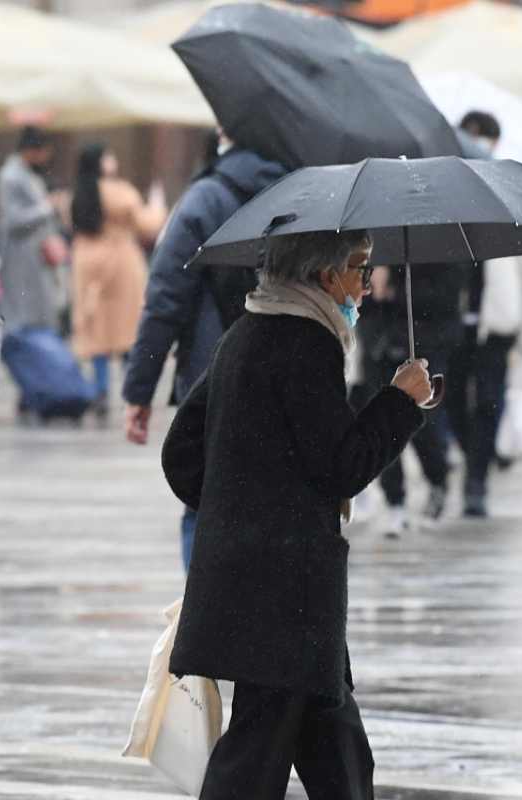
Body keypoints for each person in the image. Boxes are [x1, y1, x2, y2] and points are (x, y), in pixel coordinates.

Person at [162, 230, 431, 800]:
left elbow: (181, 452)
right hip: (286, 591)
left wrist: (239, 506)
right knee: (255, 759)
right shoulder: (305, 341)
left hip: (269, 586)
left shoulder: (248, 330)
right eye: (358, 267)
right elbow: (341, 465)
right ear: (322, 273)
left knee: (336, 745)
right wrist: (400, 400)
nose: (365, 282)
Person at [121, 129, 286, 568]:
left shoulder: (207, 197)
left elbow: (165, 300)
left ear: (225, 133)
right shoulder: (302, 190)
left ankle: (204, 617)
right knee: (275, 504)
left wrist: (140, 390)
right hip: (289, 376)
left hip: (212, 376)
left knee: (205, 501)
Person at [449, 111, 522, 517]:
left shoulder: (510, 192)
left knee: (490, 401)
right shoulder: (448, 192)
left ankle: (477, 481)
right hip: (455, 320)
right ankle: (475, 450)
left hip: (499, 320)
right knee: (451, 400)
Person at [354, 262, 465, 536]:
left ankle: (437, 479)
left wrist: (396, 286)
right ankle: (395, 500)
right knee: (383, 422)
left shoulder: (440, 245)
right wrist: (371, 287)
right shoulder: (373, 246)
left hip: (424, 342)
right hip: (379, 343)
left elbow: (446, 296)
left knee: (424, 421)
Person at [69, 143, 167, 421]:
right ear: (102, 162)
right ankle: (132, 391)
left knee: (97, 331)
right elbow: (148, 224)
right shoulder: (120, 192)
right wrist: (158, 204)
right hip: (121, 262)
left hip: (86, 262)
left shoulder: (79, 193)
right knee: (128, 330)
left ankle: (100, 391)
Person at [0, 126, 66, 337]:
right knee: (23, 317)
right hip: (19, 257)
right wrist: (47, 207)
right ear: (32, 150)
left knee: (37, 312)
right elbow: (12, 220)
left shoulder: (25, 174)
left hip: (34, 256)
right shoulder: (10, 177)